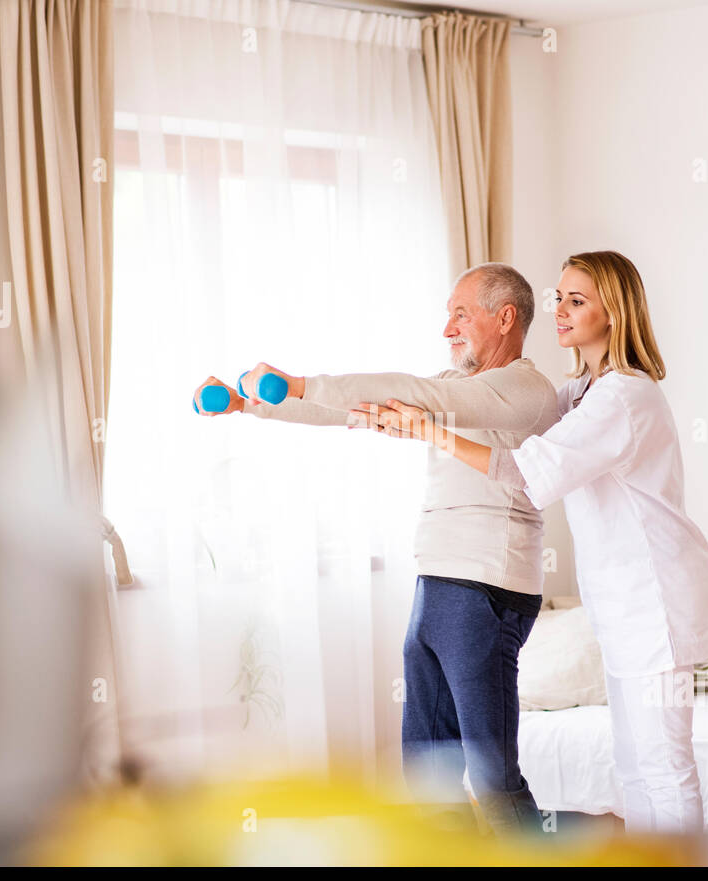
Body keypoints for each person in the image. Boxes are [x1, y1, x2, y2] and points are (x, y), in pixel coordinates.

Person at [192, 263, 559, 837]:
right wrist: (256, 405)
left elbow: (414, 394)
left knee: (492, 775)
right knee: (427, 775)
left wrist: (300, 382)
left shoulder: (525, 389)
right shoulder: (454, 388)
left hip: (488, 586)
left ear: (505, 317)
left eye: (460, 313)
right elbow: (356, 412)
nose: (448, 328)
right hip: (436, 585)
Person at [362, 251, 708, 834]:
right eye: (559, 298)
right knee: (633, 769)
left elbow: (528, 471)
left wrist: (429, 429)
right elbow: (504, 425)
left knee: (663, 766)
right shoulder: (577, 393)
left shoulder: (624, 396)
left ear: (616, 310)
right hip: (622, 605)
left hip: (656, 600)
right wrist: (405, 415)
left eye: (577, 300)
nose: (560, 310)